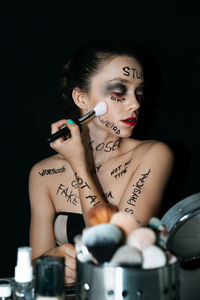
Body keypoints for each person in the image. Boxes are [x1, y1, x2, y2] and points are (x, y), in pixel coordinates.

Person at [28, 40, 174, 284]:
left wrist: (79, 166)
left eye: (139, 92)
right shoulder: (43, 174)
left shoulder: (154, 155)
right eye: (119, 92)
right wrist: (49, 263)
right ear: (81, 98)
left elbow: (118, 249)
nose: (135, 104)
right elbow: (32, 268)